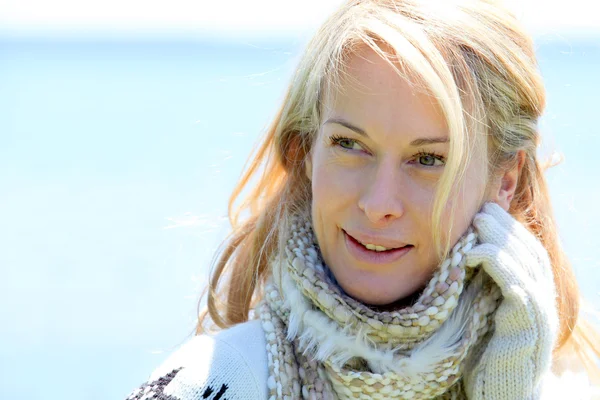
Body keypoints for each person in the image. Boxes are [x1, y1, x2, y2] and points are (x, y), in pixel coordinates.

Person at [124, 0, 600, 398]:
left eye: (429, 159)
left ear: (506, 178)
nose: (378, 203)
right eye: (350, 146)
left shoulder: (572, 387)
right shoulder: (214, 381)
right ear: (304, 151)